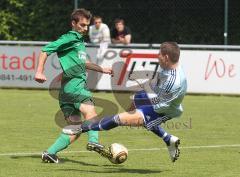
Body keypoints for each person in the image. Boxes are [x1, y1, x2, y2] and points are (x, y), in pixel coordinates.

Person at [63, 42, 187, 162]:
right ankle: (168, 139)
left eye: (159, 54)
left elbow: (157, 101)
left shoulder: (173, 81)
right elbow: (159, 83)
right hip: (157, 97)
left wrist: (143, 83)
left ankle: (81, 128)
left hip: (162, 109)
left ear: (166, 57)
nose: (157, 56)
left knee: (118, 119)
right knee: (132, 106)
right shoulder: (170, 65)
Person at [34, 8, 113, 163]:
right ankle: (94, 140)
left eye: (86, 26)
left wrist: (102, 69)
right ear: (73, 23)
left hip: (66, 92)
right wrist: (39, 71)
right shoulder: (69, 38)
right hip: (75, 86)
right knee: (91, 112)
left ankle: (50, 153)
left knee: (75, 130)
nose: (84, 28)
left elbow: (84, 63)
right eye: (82, 25)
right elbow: (45, 50)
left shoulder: (78, 41)